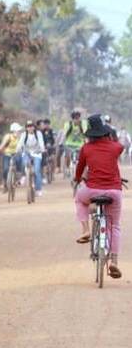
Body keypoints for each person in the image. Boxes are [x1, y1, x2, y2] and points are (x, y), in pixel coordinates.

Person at [73, 114, 124, 278]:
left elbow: (80, 170)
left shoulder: (86, 149)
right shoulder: (116, 147)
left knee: (79, 199)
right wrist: (110, 135)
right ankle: (114, 262)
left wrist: (77, 179)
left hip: (92, 190)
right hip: (114, 192)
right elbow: (119, 145)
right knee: (114, 226)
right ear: (105, 132)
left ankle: (86, 229)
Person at [17, 119, 45, 196]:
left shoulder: (38, 133)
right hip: (27, 153)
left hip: (37, 153)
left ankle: (38, 189)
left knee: (36, 171)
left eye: (31, 126)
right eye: (28, 126)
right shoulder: (24, 134)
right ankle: (23, 176)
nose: (30, 128)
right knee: (24, 163)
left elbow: (41, 143)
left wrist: (42, 149)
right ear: (26, 128)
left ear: (34, 127)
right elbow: (20, 144)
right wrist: (17, 150)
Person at [0, 122, 24, 190]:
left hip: (16, 154)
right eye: (18, 131)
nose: (19, 132)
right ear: (14, 131)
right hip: (7, 154)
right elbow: (2, 144)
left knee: (19, 163)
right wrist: (0, 149)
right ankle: (5, 183)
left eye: (19, 131)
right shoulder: (8, 136)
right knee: (5, 169)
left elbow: (23, 146)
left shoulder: (21, 137)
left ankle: (18, 178)